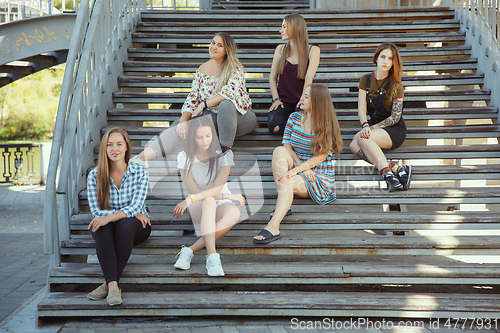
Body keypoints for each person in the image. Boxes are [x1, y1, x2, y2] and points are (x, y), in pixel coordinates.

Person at [136, 32, 256, 162]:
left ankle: (225, 153)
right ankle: (140, 159)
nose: (214, 47)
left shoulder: (234, 68)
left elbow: (228, 93)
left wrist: (203, 104)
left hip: (240, 118)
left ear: (227, 50)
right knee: (180, 126)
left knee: (225, 104)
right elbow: (192, 98)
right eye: (213, 43)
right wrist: (183, 121)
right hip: (214, 118)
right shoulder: (202, 69)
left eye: (219, 45)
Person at [254, 84, 342, 243]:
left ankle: (273, 227)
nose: (301, 98)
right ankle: (285, 204)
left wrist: (301, 170)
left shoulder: (325, 124)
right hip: (300, 167)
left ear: (317, 102)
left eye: (306, 97)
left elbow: (320, 157)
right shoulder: (294, 117)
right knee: (279, 151)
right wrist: (299, 168)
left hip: (318, 174)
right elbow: (287, 144)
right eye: (303, 94)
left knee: (286, 180)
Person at [173, 115, 245, 276]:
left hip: (216, 201)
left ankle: (189, 251)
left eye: (208, 135)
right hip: (198, 204)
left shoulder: (225, 154)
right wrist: (231, 197)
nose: (205, 141)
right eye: (200, 137)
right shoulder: (184, 157)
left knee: (234, 212)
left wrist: (190, 199)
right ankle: (212, 256)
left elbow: (216, 188)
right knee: (208, 201)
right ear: (192, 137)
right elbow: (194, 192)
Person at [86, 128, 151, 306]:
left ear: (127, 147)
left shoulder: (139, 171)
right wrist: (128, 212)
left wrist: (118, 215)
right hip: (111, 226)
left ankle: (107, 284)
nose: (114, 149)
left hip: (136, 228)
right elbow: (97, 213)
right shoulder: (94, 175)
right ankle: (113, 287)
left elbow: (138, 206)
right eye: (109, 145)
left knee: (124, 225)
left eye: (119, 144)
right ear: (104, 149)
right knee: (101, 226)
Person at [349, 42, 412, 192]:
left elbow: (396, 117)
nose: (385, 61)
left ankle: (387, 175)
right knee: (353, 145)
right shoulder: (366, 80)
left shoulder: (396, 84)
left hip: (394, 130)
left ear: (393, 63)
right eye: (383, 57)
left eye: (390, 59)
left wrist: (370, 128)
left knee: (362, 138)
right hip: (372, 127)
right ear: (376, 58)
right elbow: (361, 108)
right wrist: (365, 125)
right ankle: (393, 167)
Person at [267, 13, 320, 135]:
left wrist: (302, 100)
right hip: (283, 102)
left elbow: (309, 78)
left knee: (302, 125)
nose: (281, 31)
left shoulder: (313, 50)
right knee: (275, 127)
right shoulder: (280, 49)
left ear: (297, 28)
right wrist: (276, 99)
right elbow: (272, 77)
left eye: (284, 27)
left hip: (302, 101)